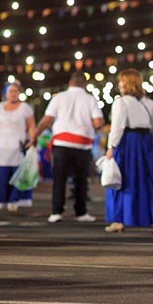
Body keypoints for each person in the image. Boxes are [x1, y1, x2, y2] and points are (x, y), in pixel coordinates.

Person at [104, 69, 153, 233]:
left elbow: (118, 127)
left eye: (121, 81)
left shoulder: (120, 102)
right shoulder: (149, 103)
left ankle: (119, 220)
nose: (119, 85)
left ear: (127, 83)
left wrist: (111, 146)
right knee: (152, 180)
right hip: (147, 143)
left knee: (122, 180)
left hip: (128, 143)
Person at [30, 71, 104, 223]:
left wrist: (34, 136)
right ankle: (81, 212)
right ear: (84, 84)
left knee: (59, 179)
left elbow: (47, 120)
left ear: (70, 83)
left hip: (61, 143)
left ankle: (56, 212)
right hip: (82, 144)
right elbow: (98, 122)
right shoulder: (90, 99)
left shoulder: (59, 97)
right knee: (81, 180)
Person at [0, 82, 36, 211]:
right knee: (1, 175)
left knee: (16, 174)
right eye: (11, 91)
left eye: (15, 91)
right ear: (6, 93)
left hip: (17, 145)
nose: (13, 94)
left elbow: (31, 126)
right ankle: (0, 200)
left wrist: (32, 139)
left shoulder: (25, 107)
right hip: (2, 145)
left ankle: (14, 200)